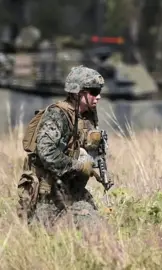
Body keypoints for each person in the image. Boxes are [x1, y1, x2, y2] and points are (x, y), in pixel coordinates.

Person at [17, 65, 112, 229]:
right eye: (94, 91)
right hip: (47, 194)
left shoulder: (86, 116)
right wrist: (78, 165)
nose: (99, 96)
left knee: (98, 232)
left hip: (74, 191)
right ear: (79, 93)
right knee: (43, 241)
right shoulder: (57, 115)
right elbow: (46, 152)